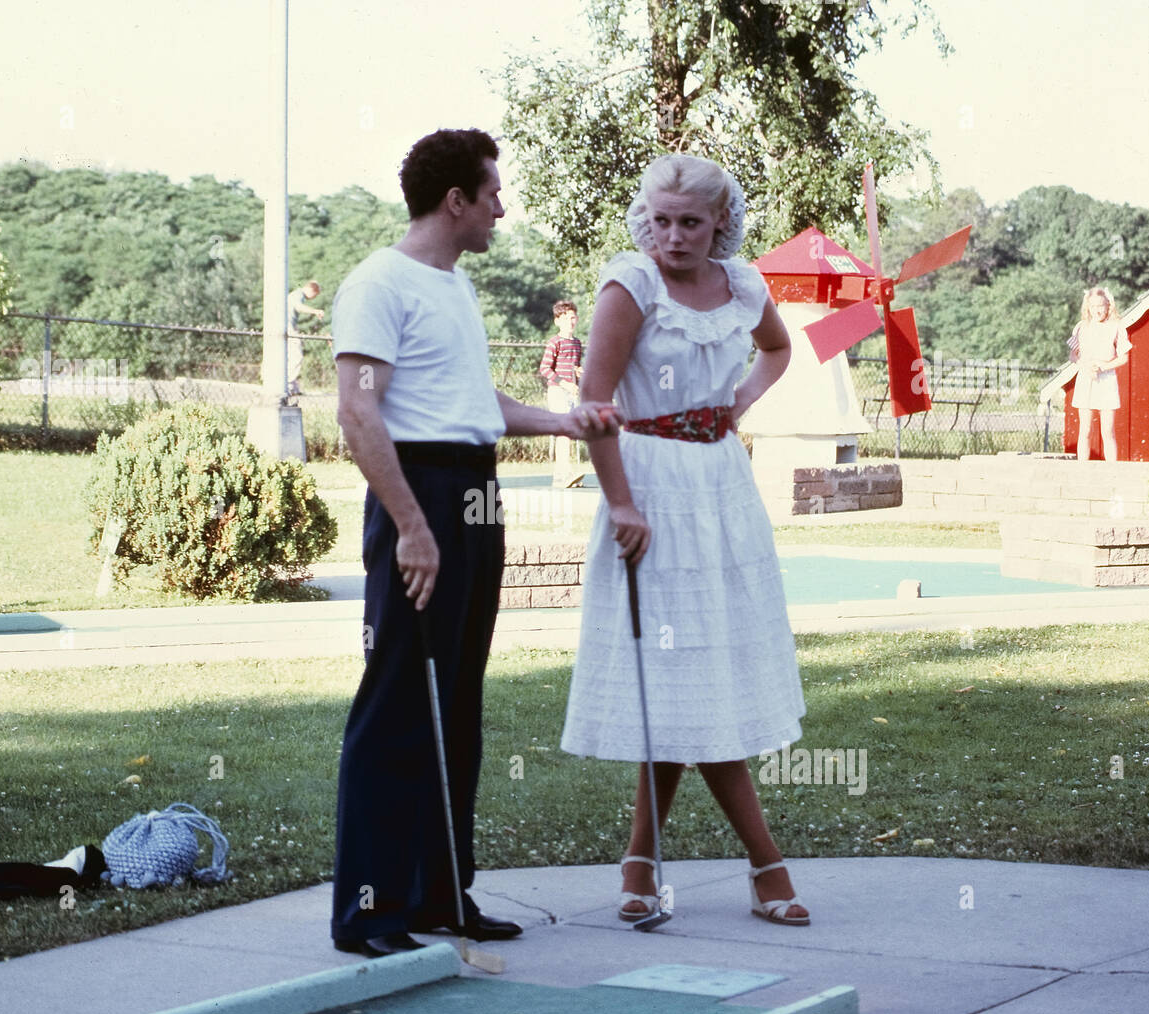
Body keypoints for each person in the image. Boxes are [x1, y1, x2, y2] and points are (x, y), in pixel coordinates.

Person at [330, 128, 619, 959]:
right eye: (492, 191)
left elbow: (474, 402)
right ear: (454, 200)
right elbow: (358, 413)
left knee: (455, 698)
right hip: (416, 494)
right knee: (394, 701)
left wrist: (563, 419)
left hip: (473, 488)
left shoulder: (453, 289)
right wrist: (413, 527)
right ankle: (369, 911)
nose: (502, 204)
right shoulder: (378, 283)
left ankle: (439, 892)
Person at [560, 153, 811, 926]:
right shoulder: (630, 286)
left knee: (696, 681)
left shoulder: (741, 286)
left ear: (719, 225)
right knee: (684, 677)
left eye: (691, 222)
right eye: (662, 219)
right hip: (650, 488)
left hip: (720, 486)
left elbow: (779, 350)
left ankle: (640, 863)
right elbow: (594, 403)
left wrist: (735, 403)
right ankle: (766, 861)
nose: (674, 235)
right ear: (647, 219)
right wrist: (622, 503)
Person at [1069, 287, 1131, 462]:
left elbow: (1124, 358)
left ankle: (1112, 472)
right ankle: (1082, 470)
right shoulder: (1081, 327)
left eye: (1101, 306)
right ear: (1087, 307)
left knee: (1107, 430)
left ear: (1108, 306)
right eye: (1093, 306)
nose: (1097, 310)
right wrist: (1085, 366)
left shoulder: (1116, 327)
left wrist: (1104, 366)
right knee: (1085, 430)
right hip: (1085, 379)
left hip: (1106, 381)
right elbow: (1073, 356)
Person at [539, 300, 585, 486]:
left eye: (573, 318)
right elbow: (545, 369)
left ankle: (561, 475)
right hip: (557, 391)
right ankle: (564, 474)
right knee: (563, 432)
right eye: (566, 319)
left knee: (568, 432)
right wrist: (564, 384)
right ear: (557, 321)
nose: (570, 322)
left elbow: (574, 367)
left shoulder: (576, 343)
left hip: (571, 393)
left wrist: (578, 374)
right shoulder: (554, 342)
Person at [286, 280, 324, 396]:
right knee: (297, 356)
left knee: (291, 356)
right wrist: (315, 311)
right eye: (315, 295)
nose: (313, 298)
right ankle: (288, 384)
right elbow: (298, 307)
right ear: (312, 290)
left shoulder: (296, 294)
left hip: (289, 327)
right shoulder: (298, 295)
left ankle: (291, 384)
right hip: (287, 328)